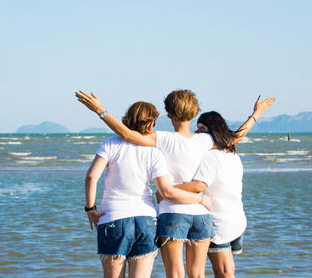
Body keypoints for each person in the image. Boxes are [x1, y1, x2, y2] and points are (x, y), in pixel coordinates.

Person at [76, 89, 274, 278]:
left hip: (172, 213)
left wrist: (101, 111)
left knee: (175, 274)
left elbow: (127, 135)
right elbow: (236, 136)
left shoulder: (162, 139)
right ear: (195, 113)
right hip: (200, 214)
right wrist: (256, 114)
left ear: (169, 114)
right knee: (197, 274)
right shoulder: (205, 139)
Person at [85, 101, 212, 278]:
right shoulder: (155, 152)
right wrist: (200, 199)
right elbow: (166, 190)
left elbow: (92, 176)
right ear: (151, 124)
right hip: (146, 220)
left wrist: (90, 209)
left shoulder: (110, 143)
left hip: (113, 218)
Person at [175, 111, 248, 278]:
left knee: (224, 272)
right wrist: (255, 114)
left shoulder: (210, 157)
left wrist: (169, 189)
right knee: (228, 270)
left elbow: (199, 185)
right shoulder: (232, 153)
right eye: (198, 130)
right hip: (237, 219)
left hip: (218, 221)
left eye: (202, 130)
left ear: (213, 131)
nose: (198, 134)